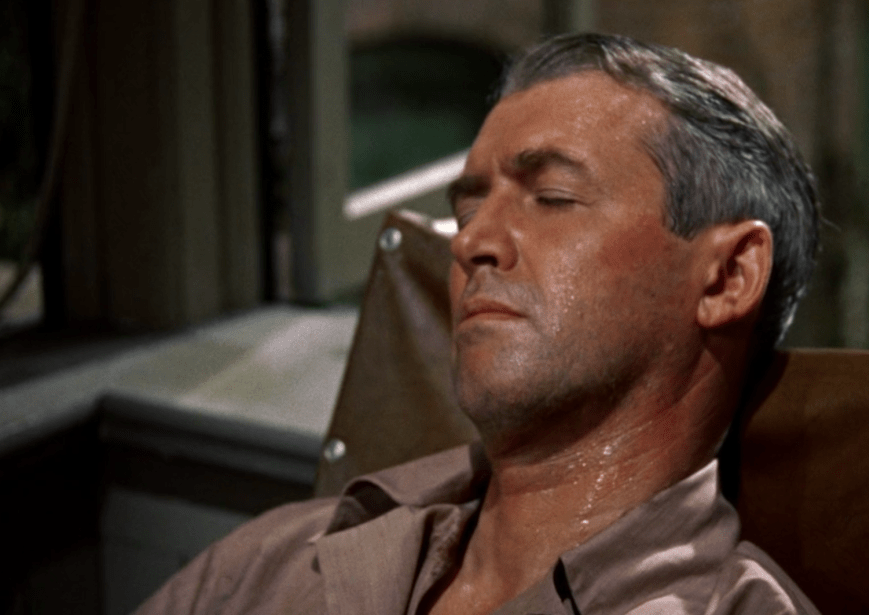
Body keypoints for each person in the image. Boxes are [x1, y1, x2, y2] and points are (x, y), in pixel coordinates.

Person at [136, 32, 821, 615]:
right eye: (466, 212)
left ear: (728, 276)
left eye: (552, 196)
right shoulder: (274, 559)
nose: (469, 242)